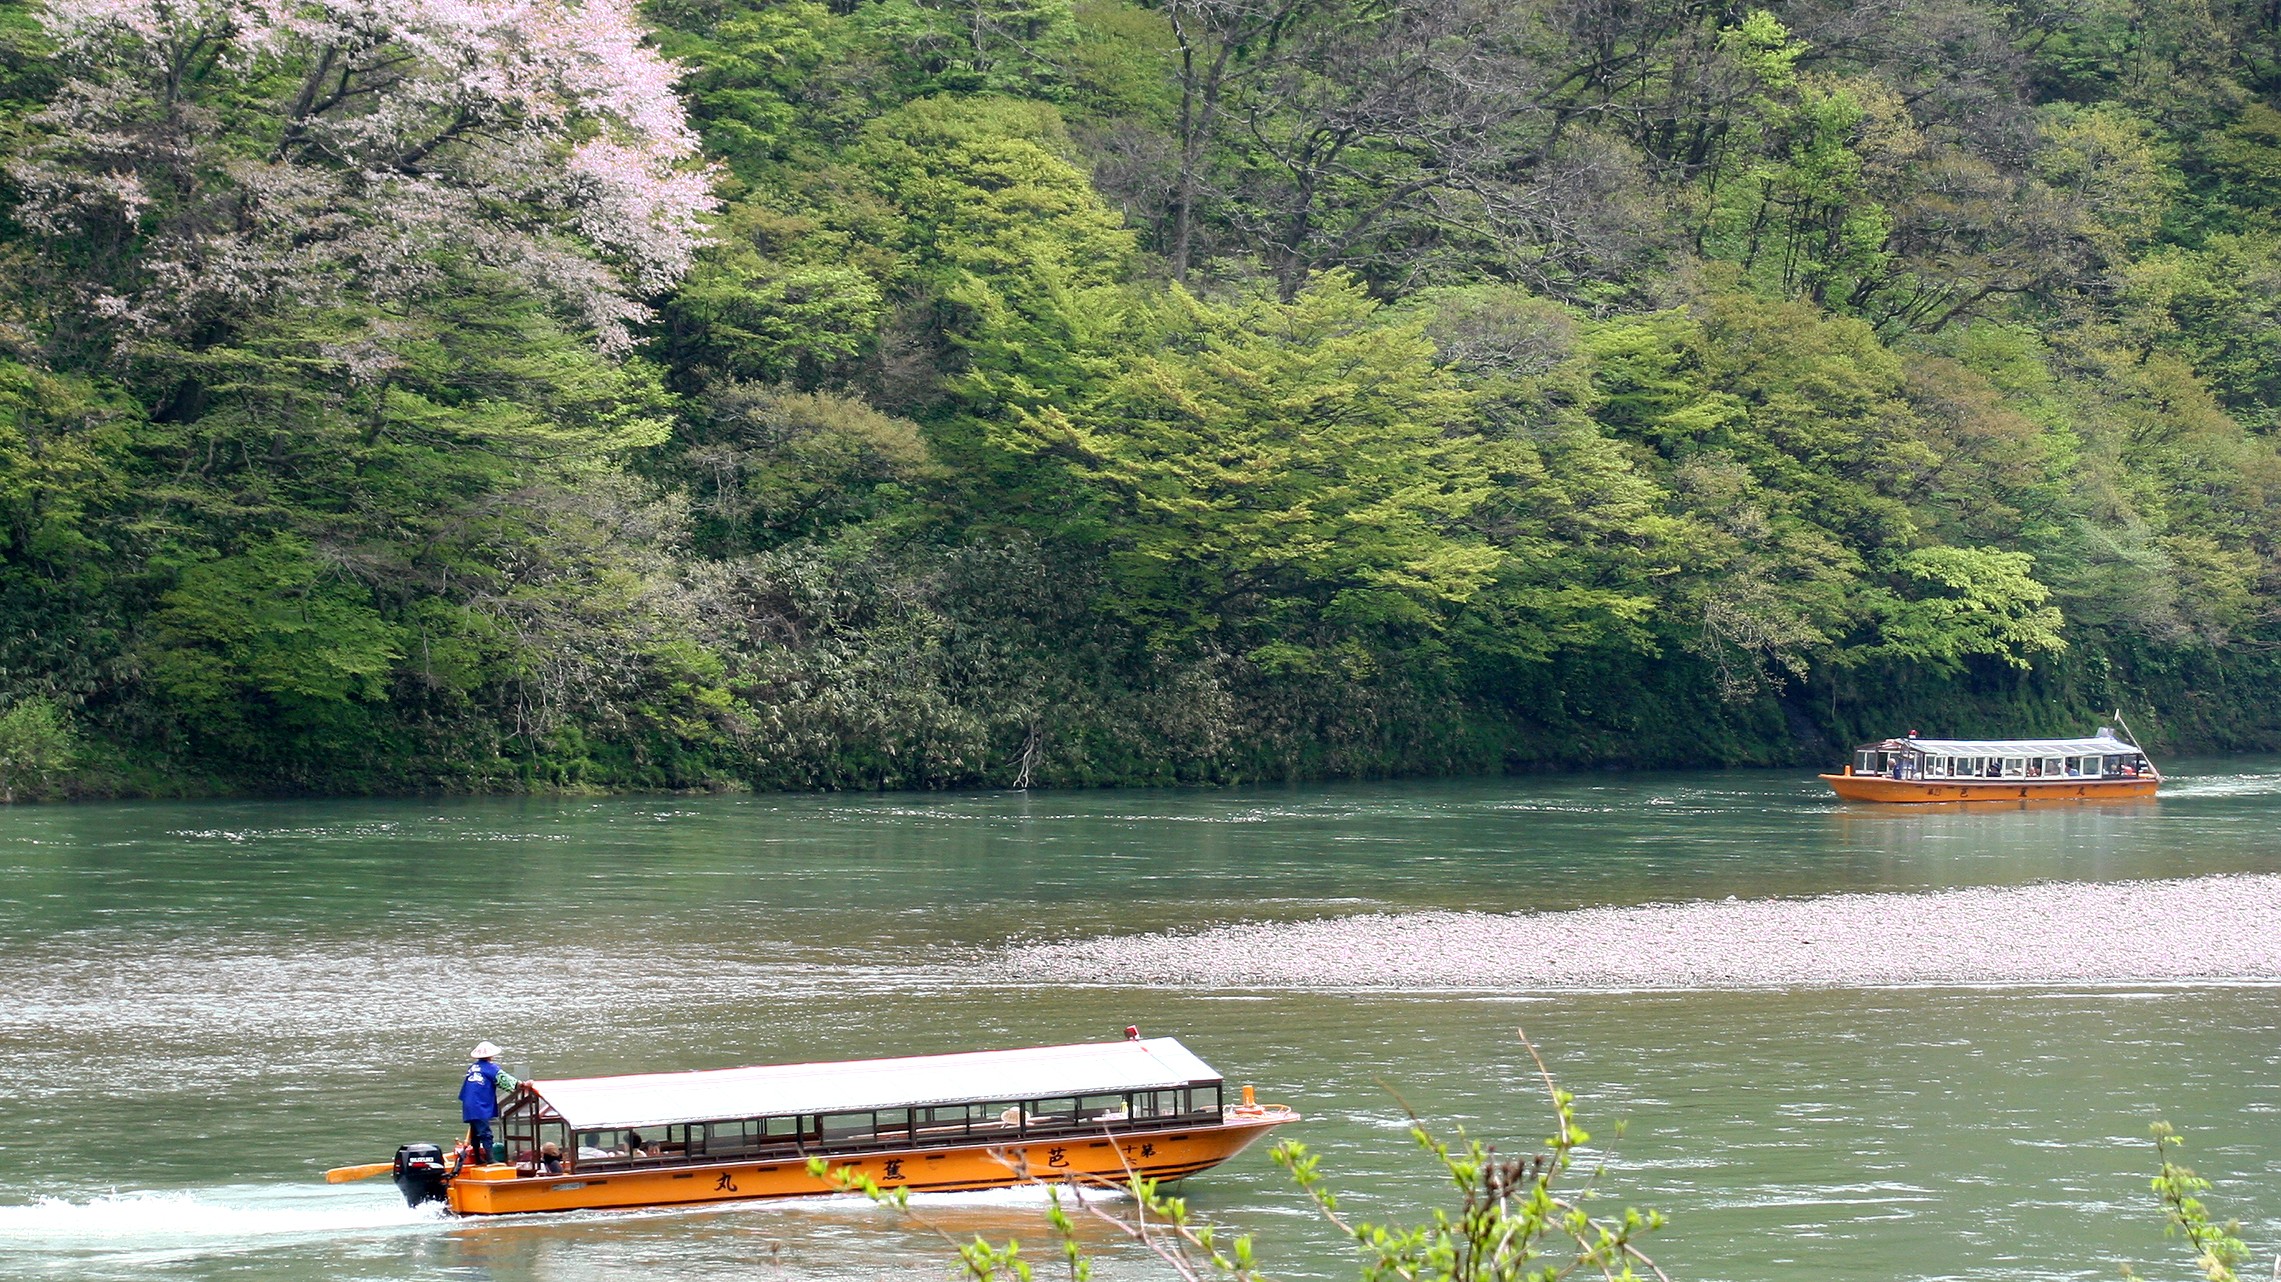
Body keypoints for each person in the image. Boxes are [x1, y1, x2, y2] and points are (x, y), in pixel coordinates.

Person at [459, 1040, 520, 1163]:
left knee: (475, 1131)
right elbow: (506, 1081)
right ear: (491, 1055)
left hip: (468, 1103)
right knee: (485, 1132)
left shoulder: (472, 1068)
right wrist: (522, 1084)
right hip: (479, 1104)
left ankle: (477, 1158)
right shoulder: (490, 1068)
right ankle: (490, 1159)